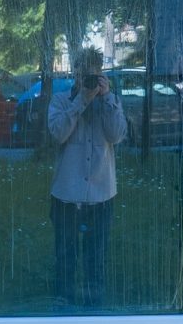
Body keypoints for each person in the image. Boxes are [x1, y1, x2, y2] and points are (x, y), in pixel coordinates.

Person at [48, 48, 127, 310]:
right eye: (85, 74)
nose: (90, 81)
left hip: (101, 195)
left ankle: (94, 308)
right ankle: (65, 306)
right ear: (76, 74)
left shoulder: (110, 101)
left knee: (96, 258)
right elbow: (58, 133)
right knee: (65, 257)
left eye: (94, 75)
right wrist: (80, 100)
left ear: (101, 74)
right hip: (66, 195)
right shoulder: (61, 101)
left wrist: (106, 99)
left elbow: (116, 135)